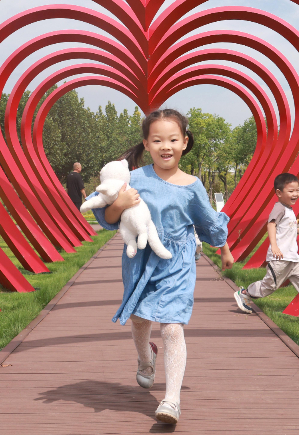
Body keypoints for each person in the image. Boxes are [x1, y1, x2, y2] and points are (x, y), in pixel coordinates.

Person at [91, 109, 234, 425]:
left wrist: (224, 249)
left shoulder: (192, 185)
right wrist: (121, 204)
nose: (165, 146)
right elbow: (106, 218)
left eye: (172, 139)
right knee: (141, 319)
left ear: (184, 142)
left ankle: (172, 400)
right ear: (146, 143)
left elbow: (209, 223)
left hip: (177, 263)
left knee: (171, 326)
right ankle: (145, 360)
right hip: (139, 261)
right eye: (157, 140)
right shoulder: (133, 178)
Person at [232, 173, 299, 326]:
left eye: (297, 190)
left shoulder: (288, 209)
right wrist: (274, 246)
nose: (295, 194)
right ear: (279, 193)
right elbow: (271, 224)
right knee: (270, 285)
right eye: (291, 191)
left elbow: (286, 228)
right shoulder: (279, 207)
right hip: (280, 258)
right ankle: (245, 294)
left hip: (293, 258)